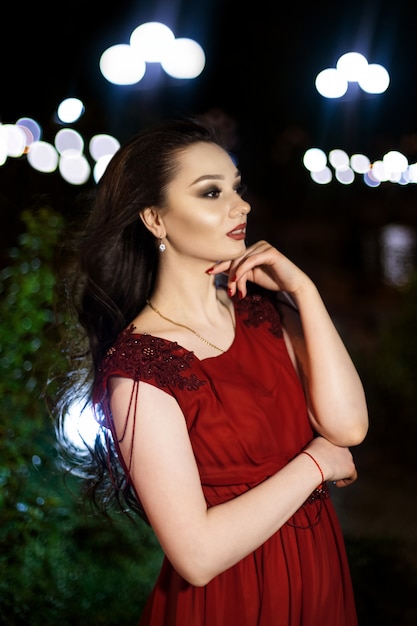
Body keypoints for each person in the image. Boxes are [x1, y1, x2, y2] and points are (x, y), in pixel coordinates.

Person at [57, 117, 368, 625]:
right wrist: (316, 464)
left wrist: (304, 292)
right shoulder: (140, 370)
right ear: (155, 219)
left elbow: (349, 428)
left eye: (236, 188)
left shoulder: (263, 313)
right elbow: (196, 557)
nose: (240, 206)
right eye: (210, 192)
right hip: (232, 599)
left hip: (317, 577)